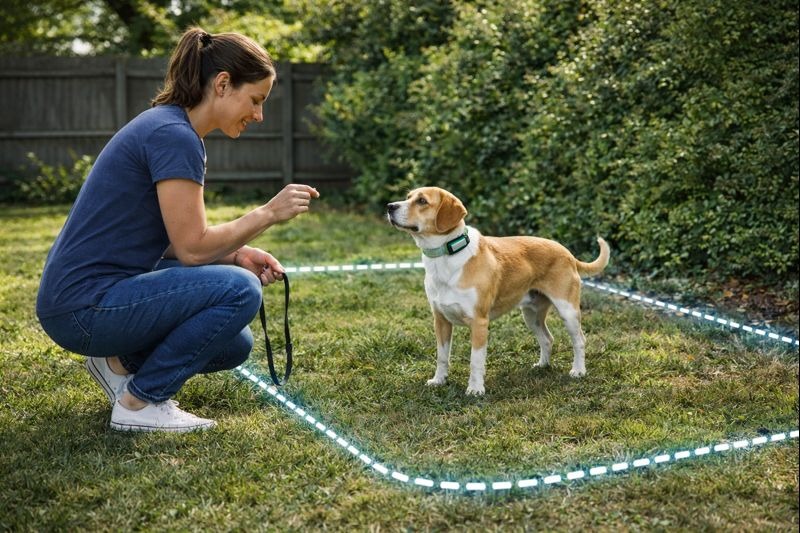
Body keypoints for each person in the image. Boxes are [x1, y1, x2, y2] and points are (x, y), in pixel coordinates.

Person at [36, 27, 319, 433]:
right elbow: (192, 249)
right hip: (83, 307)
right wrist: (269, 213)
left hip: (84, 300)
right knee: (241, 289)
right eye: (256, 100)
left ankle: (117, 362)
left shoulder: (169, 128)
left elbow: (170, 239)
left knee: (235, 344)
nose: (259, 115)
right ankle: (139, 403)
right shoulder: (174, 136)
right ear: (223, 84)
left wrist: (237, 254)